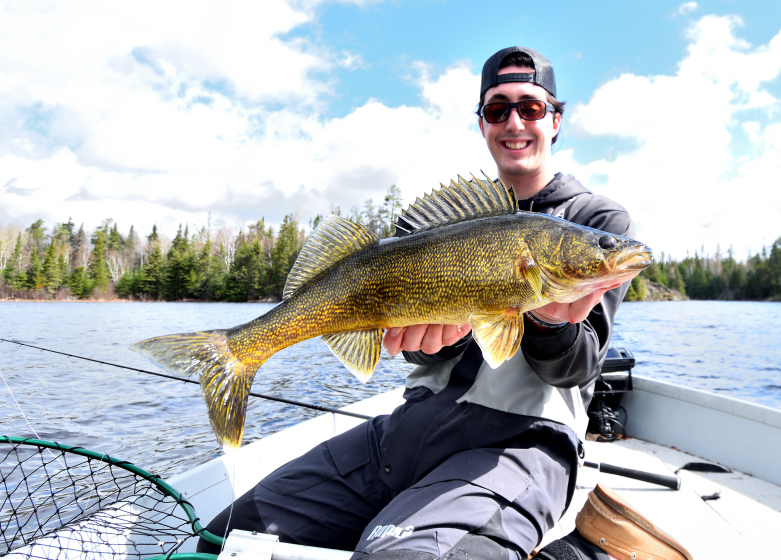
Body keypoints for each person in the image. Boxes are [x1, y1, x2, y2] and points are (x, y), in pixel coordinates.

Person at [197, 47, 691, 560]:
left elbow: (579, 366)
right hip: (408, 431)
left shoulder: (596, 220)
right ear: (482, 124)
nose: (514, 122)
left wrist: (545, 316)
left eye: (531, 107)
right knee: (220, 541)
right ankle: (237, 352)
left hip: (520, 446)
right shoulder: (438, 229)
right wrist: (423, 347)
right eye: (498, 110)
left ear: (556, 120)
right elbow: (421, 348)